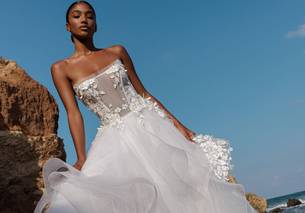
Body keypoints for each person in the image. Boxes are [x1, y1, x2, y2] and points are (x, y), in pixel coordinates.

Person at [34, 1, 257, 212]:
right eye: (77, 15)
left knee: (185, 191)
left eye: (90, 16)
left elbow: (144, 93)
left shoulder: (117, 52)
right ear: (67, 26)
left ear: (96, 25)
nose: (84, 19)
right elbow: (74, 113)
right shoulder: (61, 69)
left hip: (151, 126)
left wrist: (179, 126)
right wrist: (81, 157)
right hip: (114, 140)